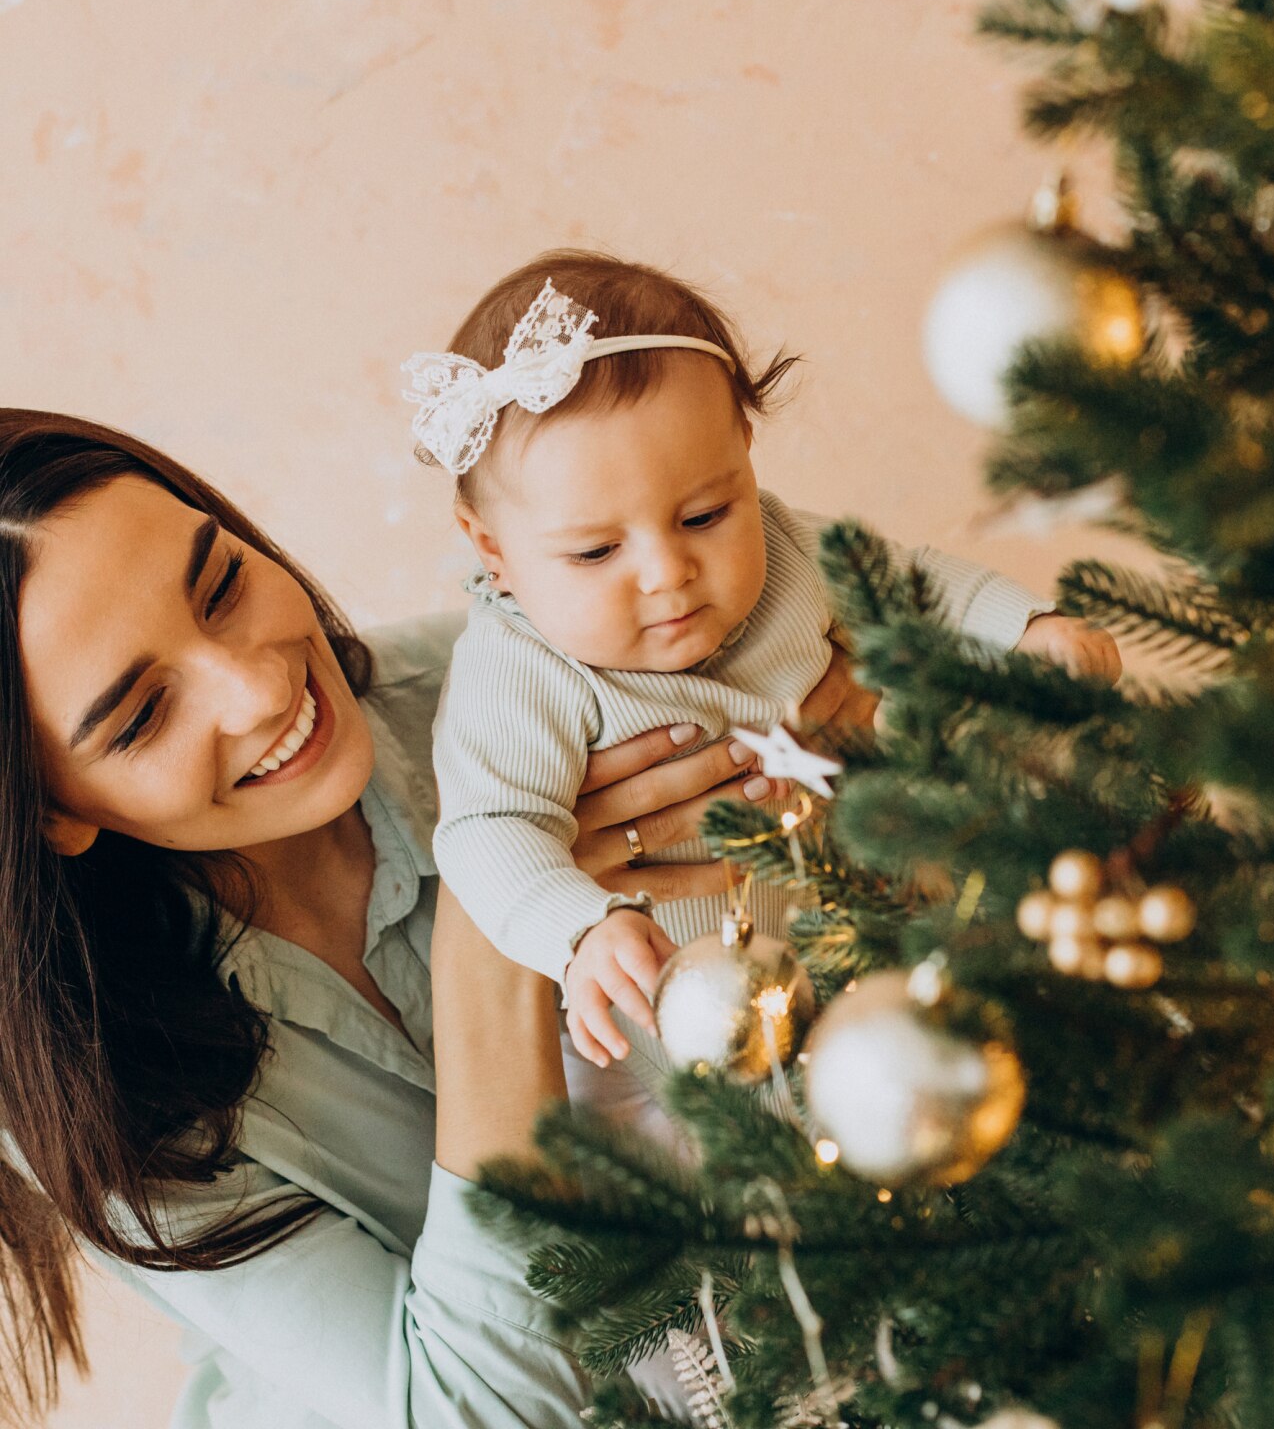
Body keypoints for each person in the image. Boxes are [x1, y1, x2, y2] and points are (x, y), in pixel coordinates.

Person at [0, 408, 869, 1427]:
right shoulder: (78, 1077)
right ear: (51, 812)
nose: (260, 686)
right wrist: (497, 913)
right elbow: (475, 1416)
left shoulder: (546, 691)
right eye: (144, 715)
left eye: (222, 586)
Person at [403, 250, 1122, 1087]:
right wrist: (581, 929)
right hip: (701, 1030)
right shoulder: (518, 669)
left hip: (891, 930)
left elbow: (915, 587)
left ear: (746, 454)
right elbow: (490, 830)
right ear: (493, 549)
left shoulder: (789, 551)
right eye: (597, 550)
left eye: (706, 514)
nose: (668, 571)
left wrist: (1025, 629)